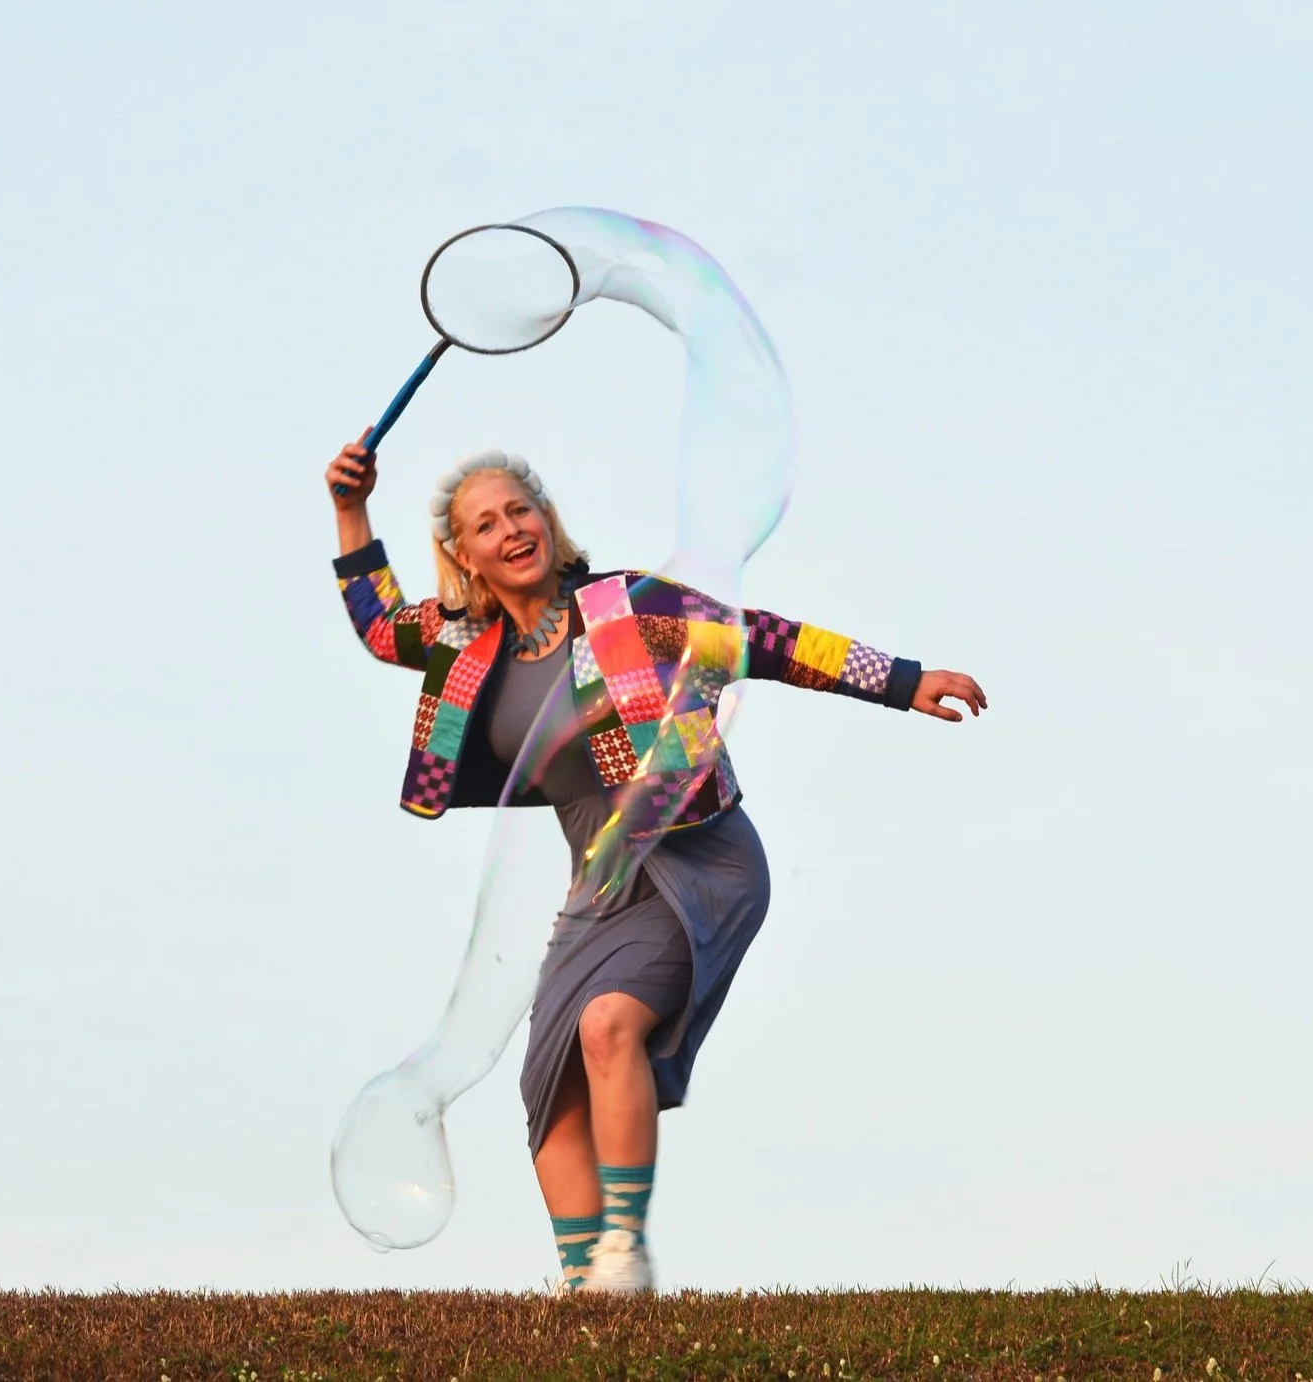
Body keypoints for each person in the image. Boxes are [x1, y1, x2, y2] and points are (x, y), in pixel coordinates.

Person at [325, 431, 986, 1295]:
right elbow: (379, 628)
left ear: (547, 520)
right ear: (464, 555)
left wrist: (904, 679)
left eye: (520, 509)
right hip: (599, 878)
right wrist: (349, 509)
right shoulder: (463, 643)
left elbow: (768, 641)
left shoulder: (627, 608)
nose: (510, 530)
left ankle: (621, 1255)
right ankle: (586, 1296)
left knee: (606, 1026)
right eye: (485, 525)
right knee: (550, 1080)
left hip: (698, 854)